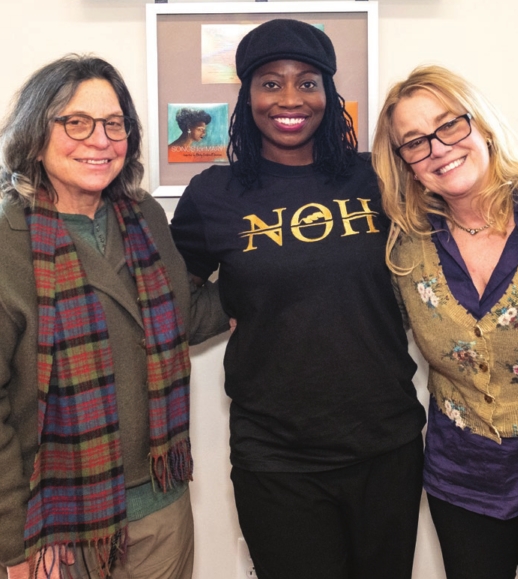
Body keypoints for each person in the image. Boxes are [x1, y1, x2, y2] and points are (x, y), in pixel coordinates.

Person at [171, 19, 426, 579]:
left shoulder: (378, 178)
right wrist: (230, 306)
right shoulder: (213, 194)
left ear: (328, 94)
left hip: (386, 444)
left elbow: (434, 260)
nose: (290, 99)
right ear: (248, 96)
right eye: (271, 83)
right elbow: (169, 303)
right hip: (276, 457)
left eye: (307, 82)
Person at [0, 55, 228, 579]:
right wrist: (14, 544)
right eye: (76, 122)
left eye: (114, 123)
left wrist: (272, 280)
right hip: (56, 526)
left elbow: (178, 318)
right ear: (35, 135)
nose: (100, 140)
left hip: (162, 505)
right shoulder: (8, 240)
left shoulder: (144, 215)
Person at [372, 64, 518, 579]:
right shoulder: (404, 247)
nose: (438, 148)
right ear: (406, 163)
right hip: (462, 480)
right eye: (415, 142)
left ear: (482, 125)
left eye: (449, 125)